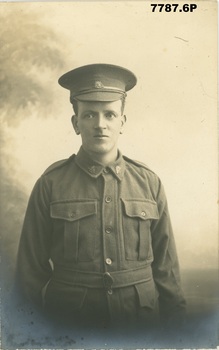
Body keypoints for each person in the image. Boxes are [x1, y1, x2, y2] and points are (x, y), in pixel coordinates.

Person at [16, 63, 186, 331]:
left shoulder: (148, 183)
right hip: (71, 327)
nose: (100, 125)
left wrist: (179, 332)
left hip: (138, 324)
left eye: (109, 115)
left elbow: (167, 270)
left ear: (122, 122)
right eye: (89, 115)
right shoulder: (50, 184)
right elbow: (29, 275)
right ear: (75, 123)